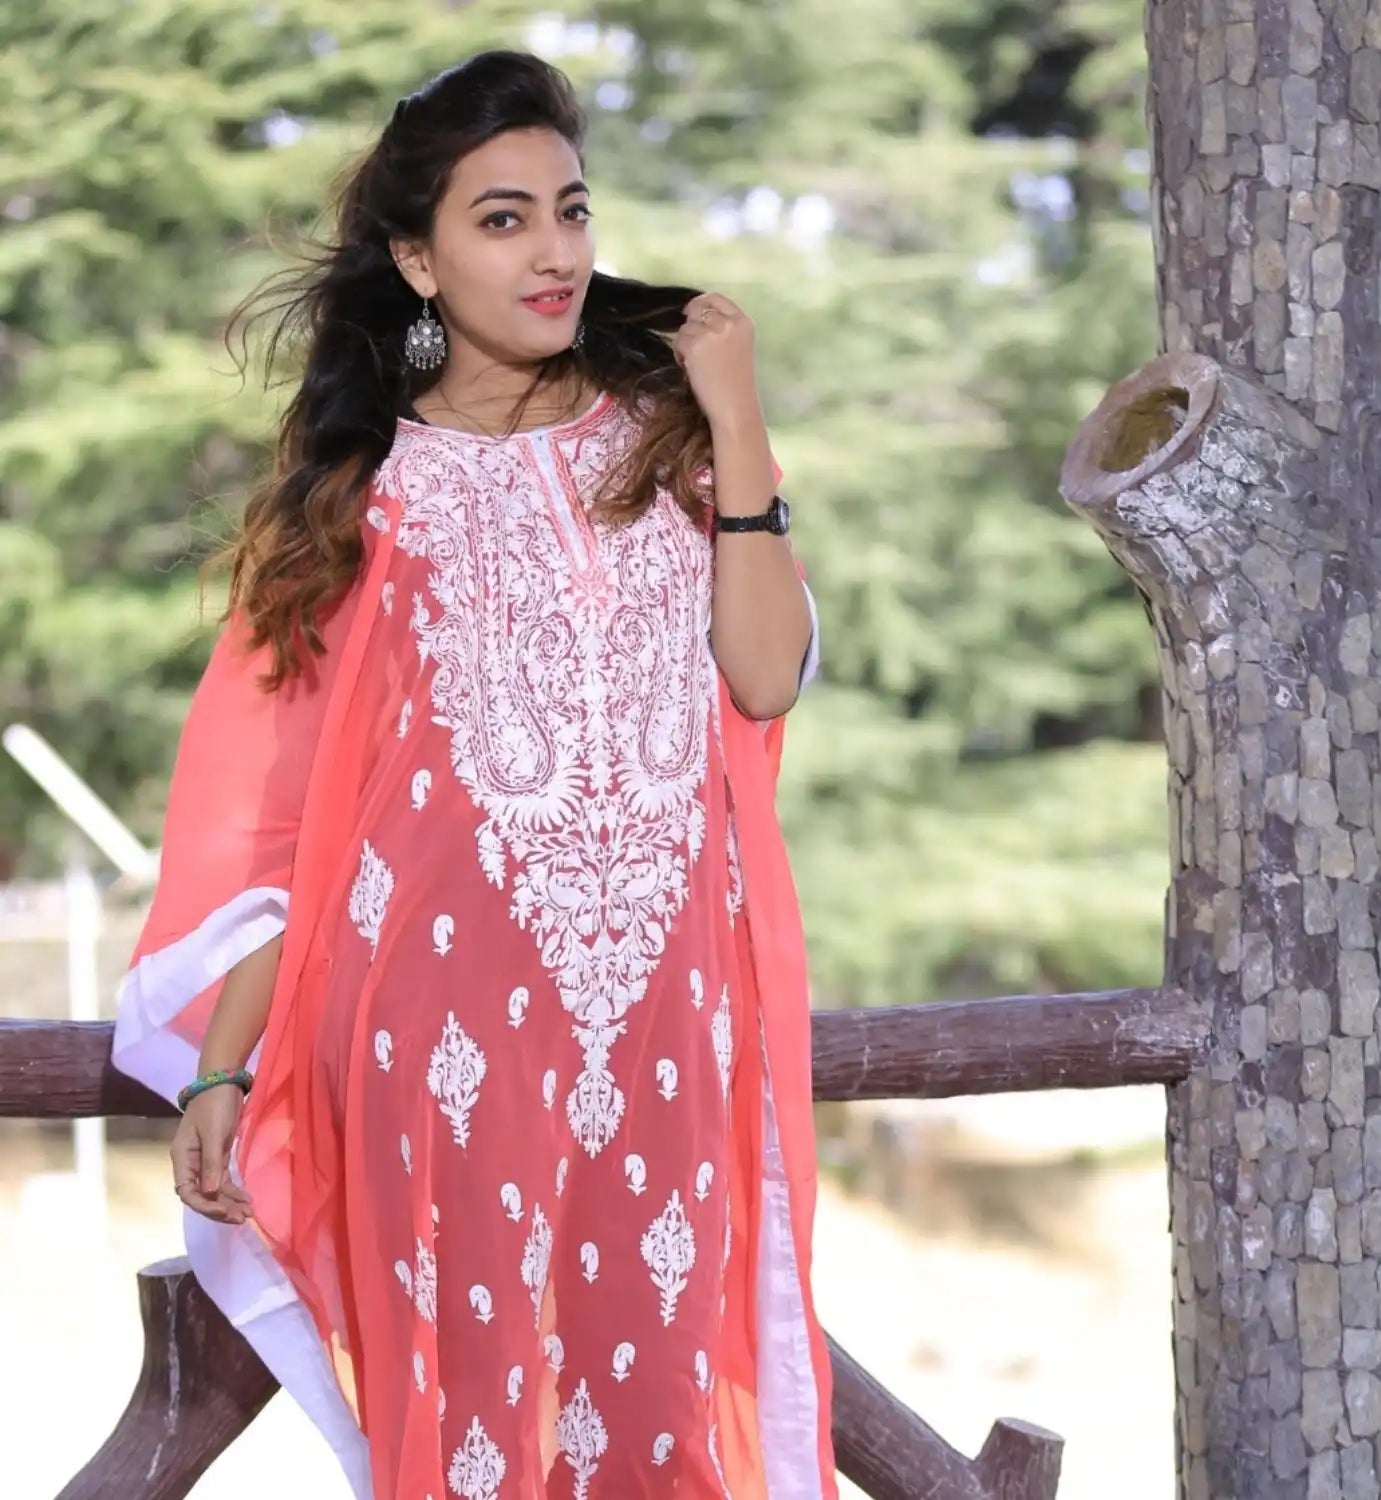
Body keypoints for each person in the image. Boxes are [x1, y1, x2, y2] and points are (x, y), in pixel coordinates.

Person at [111, 48, 837, 1500]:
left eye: (570, 210)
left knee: (663, 1424)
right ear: (417, 260)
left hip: (663, 1021)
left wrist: (737, 410)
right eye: (502, 219)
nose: (556, 251)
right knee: (481, 1431)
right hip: (432, 1033)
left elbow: (764, 678)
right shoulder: (363, 492)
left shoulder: (671, 447)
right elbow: (293, 831)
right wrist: (226, 1065)